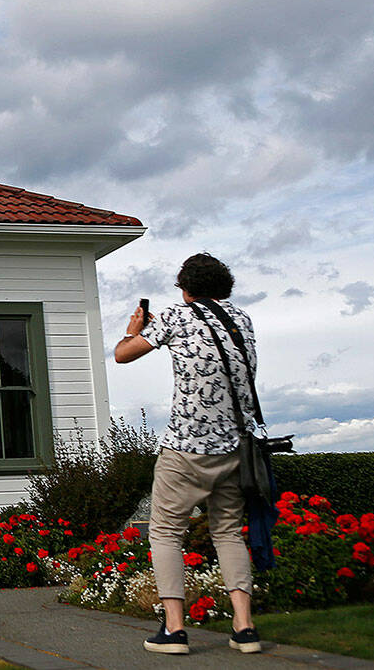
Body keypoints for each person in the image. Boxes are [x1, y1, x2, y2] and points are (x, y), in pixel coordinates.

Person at [114, 253, 263, 656]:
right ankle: (245, 628)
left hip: (186, 448)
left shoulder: (177, 317)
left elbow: (123, 355)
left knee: (165, 532)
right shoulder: (241, 320)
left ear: (186, 288)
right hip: (236, 446)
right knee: (228, 532)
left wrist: (133, 330)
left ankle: (175, 630)